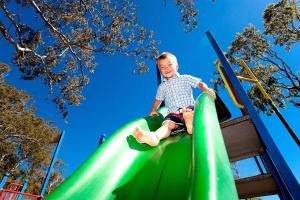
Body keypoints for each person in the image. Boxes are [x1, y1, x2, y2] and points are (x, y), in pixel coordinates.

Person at [134, 52, 216, 146]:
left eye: (169, 64)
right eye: (162, 67)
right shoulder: (162, 87)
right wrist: (153, 110)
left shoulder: (185, 78)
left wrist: (206, 89)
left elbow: (199, 83)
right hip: (173, 115)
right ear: (160, 71)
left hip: (188, 109)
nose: (166, 68)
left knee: (190, 114)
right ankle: (155, 137)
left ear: (176, 67)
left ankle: (190, 125)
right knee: (167, 124)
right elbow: (158, 100)